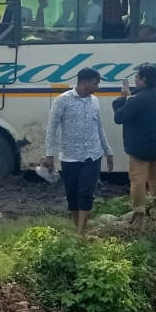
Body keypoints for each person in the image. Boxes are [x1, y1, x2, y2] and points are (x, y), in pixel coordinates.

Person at [43, 67, 115, 234]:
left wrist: (108, 151)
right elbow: (51, 128)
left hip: (92, 154)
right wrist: (49, 154)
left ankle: (81, 231)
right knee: (72, 194)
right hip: (70, 156)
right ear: (84, 83)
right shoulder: (62, 100)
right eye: (95, 83)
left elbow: (99, 127)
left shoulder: (94, 101)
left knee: (87, 192)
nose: (97, 87)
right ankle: (78, 227)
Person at [113, 64, 156, 208]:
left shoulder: (136, 99)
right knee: (154, 176)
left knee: (138, 179)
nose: (135, 79)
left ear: (143, 79)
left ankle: (138, 212)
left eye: (137, 77)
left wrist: (123, 99)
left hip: (139, 149)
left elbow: (119, 118)